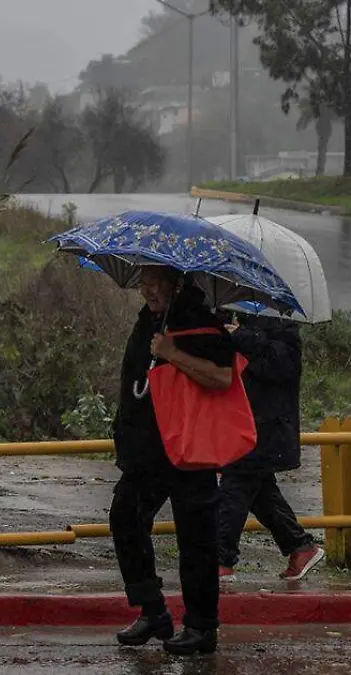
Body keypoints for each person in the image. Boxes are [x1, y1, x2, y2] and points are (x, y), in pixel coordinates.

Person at [110, 266, 238, 656]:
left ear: (178, 283)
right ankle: (153, 611)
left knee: (196, 540)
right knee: (125, 517)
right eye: (144, 282)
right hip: (147, 451)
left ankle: (202, 627)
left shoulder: (200, 323)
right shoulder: (148, 320)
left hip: (189, 449)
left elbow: (223, 377)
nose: (147, 289)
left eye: (156, 282)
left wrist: (172, 353)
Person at [217, 313, 323, 582]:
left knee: (236, 485)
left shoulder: (278, 320)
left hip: (265, 425)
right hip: (238, 420)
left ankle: (221, 560)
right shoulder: (229, 314)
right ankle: (300, 546)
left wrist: (241, 336)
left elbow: (284, 365)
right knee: (260, 493)